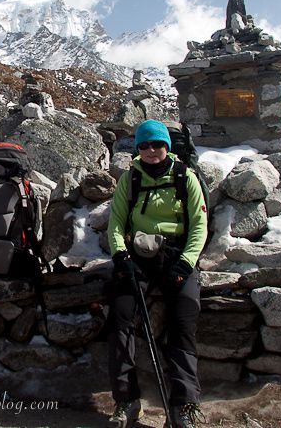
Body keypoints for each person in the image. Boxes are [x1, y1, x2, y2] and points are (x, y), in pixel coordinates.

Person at [106, 119, 208, 428]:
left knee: (183, 320)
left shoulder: (185, 177)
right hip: (138, 256)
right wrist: (121, 258)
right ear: (138, 149)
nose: (151, 151)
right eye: (145, 145)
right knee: (120, 317)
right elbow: (116, 223)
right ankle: (126, 400)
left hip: (177, 255)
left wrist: (184, 265)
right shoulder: (130, 179)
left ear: (167, 147)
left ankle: (183, 405)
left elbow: (199, 227)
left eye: (158, 145)